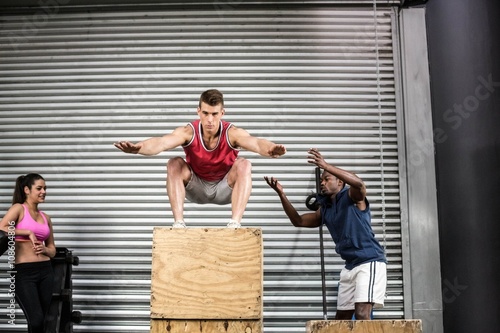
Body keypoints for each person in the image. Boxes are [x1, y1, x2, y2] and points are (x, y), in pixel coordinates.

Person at [114, 89, 286, 228]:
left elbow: (255, 143)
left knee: (244, 164)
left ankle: (235, 224)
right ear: (198, 111)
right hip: (196, 187)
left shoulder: (232, 133)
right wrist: (139, 148)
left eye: (214, 114)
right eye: (205, 113)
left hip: (225, 188)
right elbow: (161, 143)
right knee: (174, 163)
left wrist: (270, 149)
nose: (210, 120)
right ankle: (179, 223)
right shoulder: (188, 131)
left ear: (222, 113)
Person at [264, 148, 386, 320]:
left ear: (340, 183)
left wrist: (326, 165)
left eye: (327, 179)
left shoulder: (352, 197)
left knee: (362, 313)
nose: (322, 183)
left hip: (369, 261)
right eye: (321, 180)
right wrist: (281, 194)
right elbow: (298, 221)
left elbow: (359, 184)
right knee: (341, 319)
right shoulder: (326, 209)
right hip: (350, 266)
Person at [0, 173, 56, 333]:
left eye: (45, 188)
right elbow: (2, 229)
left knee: (40, 323)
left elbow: (52, 249)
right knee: (36, 320)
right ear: (26, 189)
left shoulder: (46, 217)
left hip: (46, 271)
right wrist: (27, 232)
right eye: (39, 188)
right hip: (24, 273)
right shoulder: (18, 209)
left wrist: (45, 249)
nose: (43, 191)